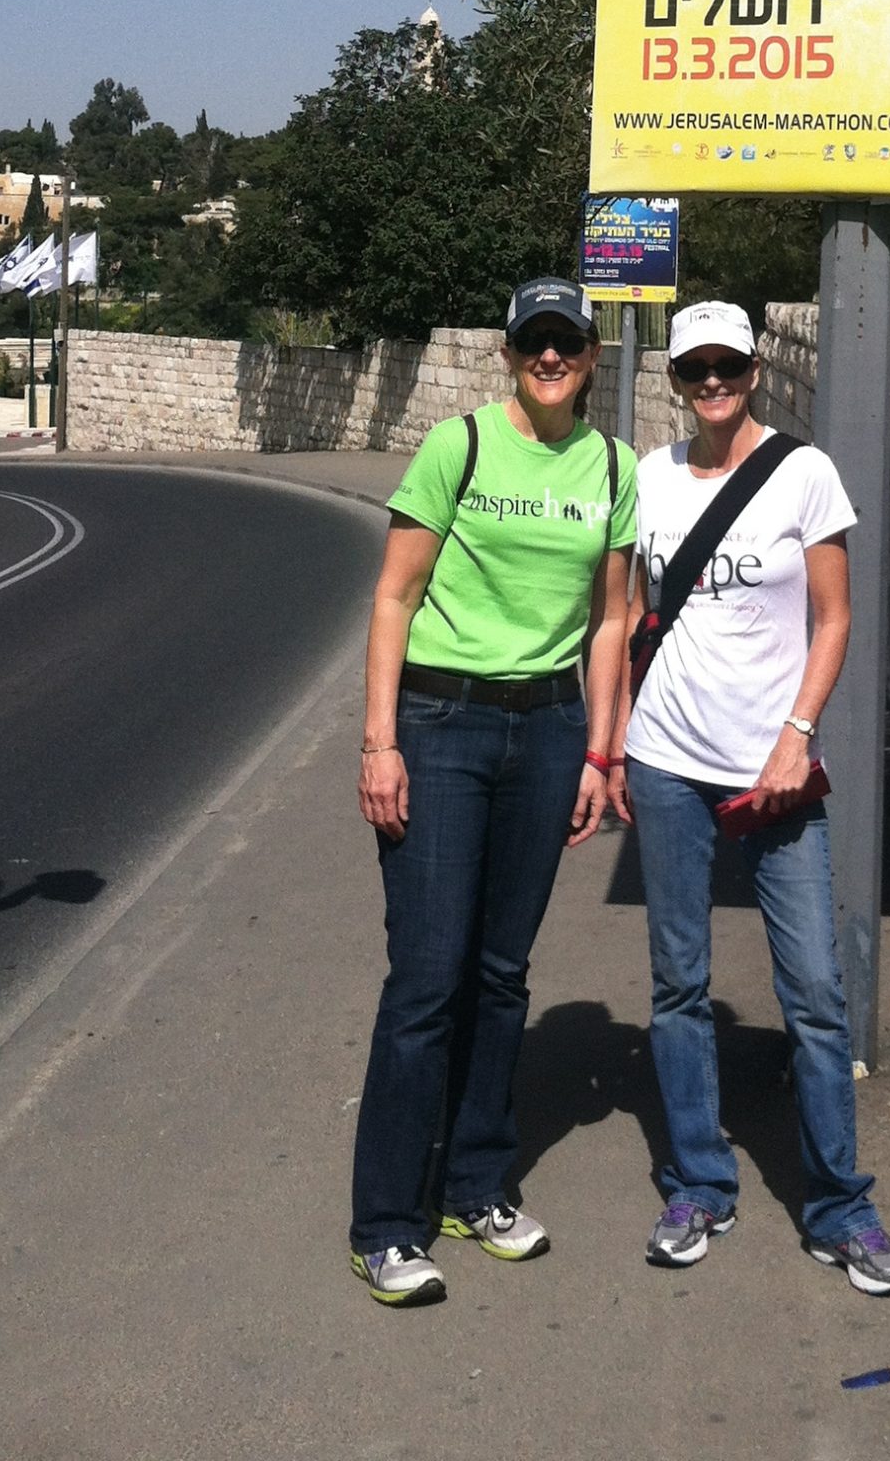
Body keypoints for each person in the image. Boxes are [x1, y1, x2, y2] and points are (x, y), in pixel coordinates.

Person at [608, 299, 890, 1295]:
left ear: (753, 368)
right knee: (678, 985)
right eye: (694, 366)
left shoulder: (802, 472)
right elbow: (614, 615)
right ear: (675, 377)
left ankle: (839, 1205)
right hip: (665, 760)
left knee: (817, 995)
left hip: (775, 770)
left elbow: (835, 618)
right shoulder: (646, 479)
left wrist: (796, 737)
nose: (711, 381)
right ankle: (699, 1182)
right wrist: (604, 745)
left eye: (726, 365)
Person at [348, 277, 636, 1308]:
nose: (550, 357)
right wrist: (380, 742)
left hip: (548, 730)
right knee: (427, 978)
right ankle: (387, 1222)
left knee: (503, 974)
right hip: (442, 724)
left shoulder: (611, 466)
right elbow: (394, 594)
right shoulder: (457, 447)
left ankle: (476, 1184)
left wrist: (602, 753)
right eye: (534, 343)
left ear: (591, 356)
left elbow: (610, 622)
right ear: (511, 354)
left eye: (566, 342)